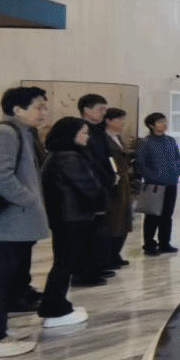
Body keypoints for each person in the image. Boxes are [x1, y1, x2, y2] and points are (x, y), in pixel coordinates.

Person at [0, 85, 49, 360]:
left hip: (16, 223)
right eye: (39, 107)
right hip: (6, 224)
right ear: (17, 109)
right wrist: (28, 199)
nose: (44, 112)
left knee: (4, 280)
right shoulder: (3, 133)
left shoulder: (22, 133)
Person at [39, 117, 106, 327]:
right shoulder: (69, 158)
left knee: (64, 262)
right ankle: (54, 308)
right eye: (83, 133)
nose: (87, 137)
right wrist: (101, 200)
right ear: (70, 135)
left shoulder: (59, 155)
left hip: (66, 217)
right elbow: (89, 187)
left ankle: (57, 304)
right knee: (64, 263)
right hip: (72, 218)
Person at [75, 93, 116, 284]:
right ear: (86, 110)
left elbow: (107, 156)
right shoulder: (79, 130)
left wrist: (112, 174)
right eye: (101, 109)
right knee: (86, 233)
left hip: (103, 184)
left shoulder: (99, 130)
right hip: (90, 185)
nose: (104, 113)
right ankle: (83, 272)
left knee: (98, 230)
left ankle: (96, 266)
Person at [135, 112, 180, 255]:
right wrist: (152, 177)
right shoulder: (145, 142)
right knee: (152, 216)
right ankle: (149, 244)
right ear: (151, 125)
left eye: (165, 121)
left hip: (171, 182)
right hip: (154, 184)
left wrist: (177, 171)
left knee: (167, 215)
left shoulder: (170, 140)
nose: (164, 124)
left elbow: (177, 158)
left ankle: (164, 243)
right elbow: (141, 164)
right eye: (160, 122)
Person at [102, 107, 135, 268]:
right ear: (108, 121)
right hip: (113, 185)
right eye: (118, 120)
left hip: (124, 182)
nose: (121, 123)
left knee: (124, 219)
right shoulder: (103, 139)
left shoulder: (118, 138)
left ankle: (116, 254)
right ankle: (108, 257)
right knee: (113, 221)